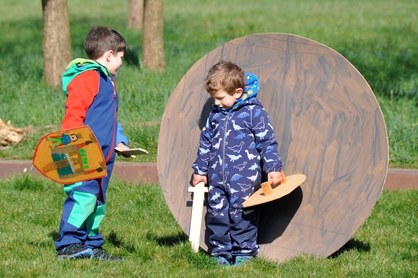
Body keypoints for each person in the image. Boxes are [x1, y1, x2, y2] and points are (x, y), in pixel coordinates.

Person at [192, 61, 283, 266]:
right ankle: (220, 252)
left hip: (244, 179)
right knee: (217, 214)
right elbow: (206, 142)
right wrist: (200, 170)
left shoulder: (253, 112)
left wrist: (273, 168)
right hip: (217, 177)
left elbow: (267, 141)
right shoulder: (216, 115)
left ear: (238, 92)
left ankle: (244, 251)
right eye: (213, 98)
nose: (216, 103)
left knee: (243, 214)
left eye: (220, 98)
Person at [55, 26, 130, 261]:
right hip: (83, 154)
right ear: (109, 54)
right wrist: (72, 145)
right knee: (82, 197)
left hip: (104, 157)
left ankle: (91, 243)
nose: (120, 63)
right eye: (120, 58)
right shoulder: (87, 78)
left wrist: (120, 142)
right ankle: (69, 243)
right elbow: (73, 115)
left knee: (97, 201)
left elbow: (110, 119)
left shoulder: (108, 80)